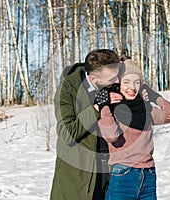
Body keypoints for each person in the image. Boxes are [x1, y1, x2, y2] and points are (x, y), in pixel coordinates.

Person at [95, 59, 170, 200]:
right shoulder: (113, 109)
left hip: (148, 174)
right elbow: (111, 136)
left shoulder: (147, 110)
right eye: (126, 82)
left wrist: (154, 96)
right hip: (123, 174)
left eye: (137, 82)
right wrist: (104, 105)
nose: (132, 87)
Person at [50, 49, 124, 200]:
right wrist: (96, 107)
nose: (117, 81)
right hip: (78, 172)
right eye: (112, 78)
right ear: (93, 78)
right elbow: (67, 133)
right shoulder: (68, 89)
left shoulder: (114, 83)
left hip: (111, 168)